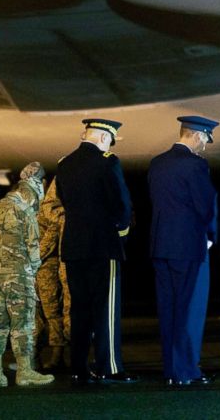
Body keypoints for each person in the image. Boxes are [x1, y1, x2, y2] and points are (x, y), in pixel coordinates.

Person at [57, 118, 138, 386]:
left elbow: (65, 202)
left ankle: (79, 367)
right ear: (105, 138)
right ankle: (110, 367)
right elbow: (122, 204)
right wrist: (121, 233)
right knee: (106, 310)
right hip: (103, 245)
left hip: (73, 246)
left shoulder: (64, 164)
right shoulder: (107, 161)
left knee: (79, 311)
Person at [148, 115, 220, 386]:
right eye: (205, 140)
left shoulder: (157, 163)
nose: (205, 145)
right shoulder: (195, 166)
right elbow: (206, 205)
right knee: (190, 310)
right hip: (188, 247)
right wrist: (211, 236)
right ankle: (187, 371)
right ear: (198, 135)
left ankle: (171, 369)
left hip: (161, 245)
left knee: (168, 310)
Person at [0, 161, 55, 387]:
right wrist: (34, 269)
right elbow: (32, 249)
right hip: (16, 274)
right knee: (22, 322)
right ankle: (24, 372)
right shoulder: (24, 211)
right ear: (33, 189)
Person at [34, 178, 71, 371]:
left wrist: (34, 257)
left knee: (53, 312)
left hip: (47, 265)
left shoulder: (49, 210)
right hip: (37, 266)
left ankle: (58, 356)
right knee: (38, 315)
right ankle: (36, 358)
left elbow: (53, 233)